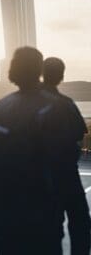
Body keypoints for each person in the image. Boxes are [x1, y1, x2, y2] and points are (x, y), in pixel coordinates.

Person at [0, 47, 68, 255]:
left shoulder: (0, 107)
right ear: (39, 70)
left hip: (4, 209)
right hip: (40, 208)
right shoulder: (54, 107)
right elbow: (64, 157)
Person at [42, 57, 90, 255]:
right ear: (61, 75)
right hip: (67, 172)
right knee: (80, 221)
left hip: (41, 174)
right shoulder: (66, 103)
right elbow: (80, 131)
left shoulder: (28, 103)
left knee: (50, 226)